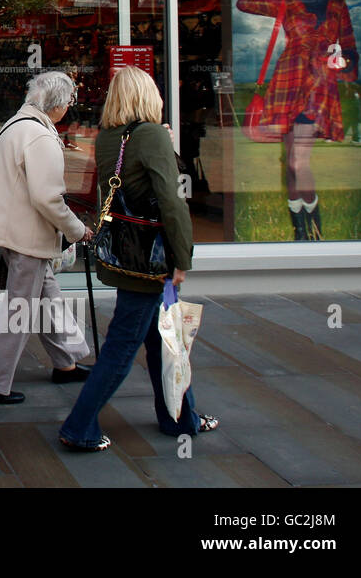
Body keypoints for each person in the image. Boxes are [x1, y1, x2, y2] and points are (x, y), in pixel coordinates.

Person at [58, 65, 219, 451]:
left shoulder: (113, 136)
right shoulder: (148, 135)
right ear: (148, 96)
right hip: (152, 261)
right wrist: (182, 259)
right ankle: (79, 426)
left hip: (127, 254)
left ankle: (181, 417)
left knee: (167, 342)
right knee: (123, 348)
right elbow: (171, 201)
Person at [0, 71, 93, 404]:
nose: (69, 106)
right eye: (68, 101)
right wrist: (77, 230)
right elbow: (48, 198)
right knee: (19, 311)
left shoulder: (18, 124)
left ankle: (65, 363)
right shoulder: (39, 136)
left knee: (48, 298)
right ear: (57, 105)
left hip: (16, 233)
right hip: (27, 237)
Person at [237, 0, 359, 240]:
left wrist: (343, 62)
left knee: (296, 162)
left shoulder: (337, 5)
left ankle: (313, 228)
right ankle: (301, 234)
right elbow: (246, 4)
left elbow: (350, 47)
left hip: (319, 86)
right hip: (288, 84)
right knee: (290, 161)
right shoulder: (287, 2)